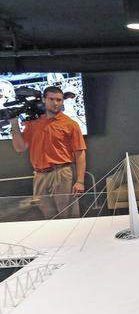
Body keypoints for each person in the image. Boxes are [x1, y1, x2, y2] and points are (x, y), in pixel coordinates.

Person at [3, 85, 86, 219]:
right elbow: (20, 147)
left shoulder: (70, 124)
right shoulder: (33, 124)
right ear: (44, 99)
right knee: (47, 217)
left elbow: (80, 154)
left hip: (62, 173)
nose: (55, 103)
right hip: (39, 175)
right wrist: (14, 124)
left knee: (68, 216)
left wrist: (80, 181)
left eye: (59, 100)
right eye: (51, 99)